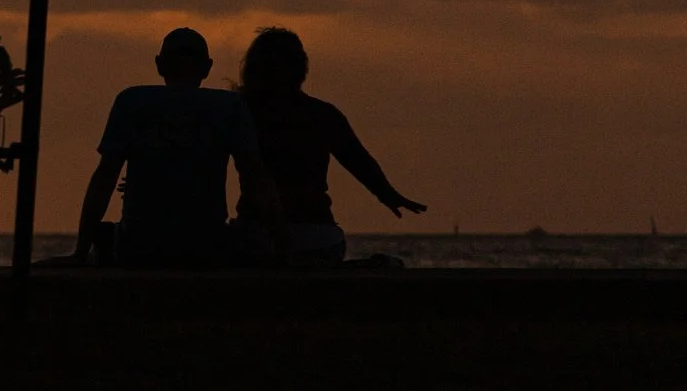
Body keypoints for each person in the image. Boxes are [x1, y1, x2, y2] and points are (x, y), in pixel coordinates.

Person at [49, 28, 281, 268]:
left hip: (138, 245)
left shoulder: (132, 101)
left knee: (106, 237)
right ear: (207, 67)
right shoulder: (229, 107)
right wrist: (281, 247)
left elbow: (105, 177)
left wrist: (80, 251)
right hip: (207, 244)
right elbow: (256, 178)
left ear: (159, 65)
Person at [236, 27, 424, 266]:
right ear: (301, 67)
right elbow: (358, 160)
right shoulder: (323, 114)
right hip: (318, 236)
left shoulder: (240, 112)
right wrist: (387, 194)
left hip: (258, 235)